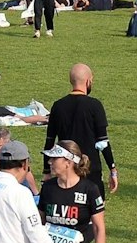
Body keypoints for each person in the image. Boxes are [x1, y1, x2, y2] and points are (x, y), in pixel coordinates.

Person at [44, 64, 116, 193]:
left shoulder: (58, 106)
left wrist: (46, 170)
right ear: (88, 81)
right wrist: (112, 169)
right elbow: (103, 142)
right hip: (91, 169)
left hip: (67, 167)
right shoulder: (95, 106)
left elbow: (49, 140)